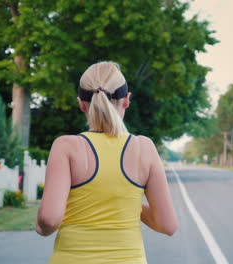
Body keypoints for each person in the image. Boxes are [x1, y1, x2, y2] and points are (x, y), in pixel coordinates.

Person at [35, 61, 178, 264]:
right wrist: (130, 204)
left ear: (81, 103)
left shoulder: (66, 146)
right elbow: (168, 225)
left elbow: (49, 220)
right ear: (127, 100)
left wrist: (40, 226)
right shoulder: (144, 148)